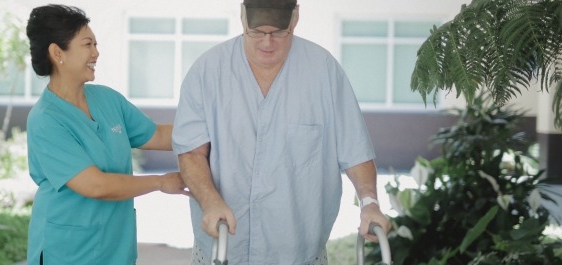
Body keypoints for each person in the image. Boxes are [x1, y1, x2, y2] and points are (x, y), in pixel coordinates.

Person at [172, 0, 391, 264]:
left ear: (295, 17)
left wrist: (370, 203)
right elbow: (192, 153)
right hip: (223, 249)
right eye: (257, 32)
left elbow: (355, 150)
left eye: (278, 32)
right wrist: (209, 201)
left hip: (299, 252)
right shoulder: (207, 71)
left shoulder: (324, 72)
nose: (267, 43)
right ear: (242, 17)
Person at [24, 4, 188, 265]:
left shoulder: (107, 99)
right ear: (57, 53)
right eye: (87, 44)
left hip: (115, 247)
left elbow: (156, 134)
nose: (96, 53)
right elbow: (95, 185)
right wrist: (159, 182)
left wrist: (213, 131)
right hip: (68, 252)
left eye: (96, 44)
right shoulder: (46, 120)